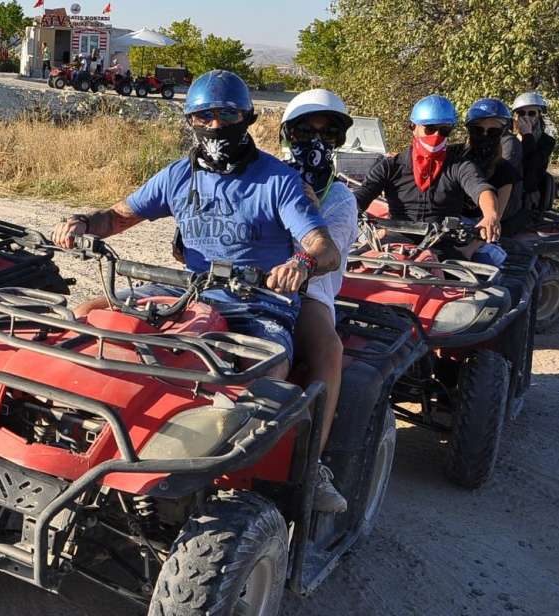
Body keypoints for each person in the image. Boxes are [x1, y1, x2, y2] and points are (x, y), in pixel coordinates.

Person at [51, 70, 344, 510]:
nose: (214, 125)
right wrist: (82, 223)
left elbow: (323, 247)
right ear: (190, 120)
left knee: (262, 375)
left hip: (257, 304)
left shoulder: (278, 181)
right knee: (86, 318)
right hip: (187, 292)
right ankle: (77, 426)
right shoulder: (176, 176)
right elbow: (117, 216)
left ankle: (258, 475)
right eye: (202, 116)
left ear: (245, 118)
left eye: (225, 114)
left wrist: (301, 263)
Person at [281, 89, 359, 512]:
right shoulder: (267, 176)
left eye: (326, 133)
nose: (315, 141)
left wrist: (305, 206)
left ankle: (313, 467)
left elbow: (321, 256)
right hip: (245, 282)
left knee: (328, 348)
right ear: (287, 134)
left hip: (307, 291)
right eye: (305, 131)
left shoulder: (341, 198)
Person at [353, 94, 500, 259]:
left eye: (444, 130)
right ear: (413, 127)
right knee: (345, 267)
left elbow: (480, 188)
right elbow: (363, 193)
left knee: (481, 276)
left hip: (442, 246)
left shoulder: (459, 166)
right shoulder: (391, 166)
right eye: (430, 129)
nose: (436, 135)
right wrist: (348, 209)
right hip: (393, 241)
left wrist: (490, 214)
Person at [456, 98, 518, 262]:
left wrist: (469, 250)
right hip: (447, 228)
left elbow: (493, 219)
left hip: (479, 234)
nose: (484, 135)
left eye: (492, 131)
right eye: (478, 130)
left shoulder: (505, 171)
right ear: (469, 130)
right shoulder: (454, 157)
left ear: (502, 133)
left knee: (484, 264)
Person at [512, 92, 556, 217]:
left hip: (533, 191)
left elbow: (532, 164)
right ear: (516, 117)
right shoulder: (509, 139)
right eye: (521, 113)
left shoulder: (547, 141)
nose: (526, 117)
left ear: (538, 116)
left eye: (531, 113)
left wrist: (527, 135)